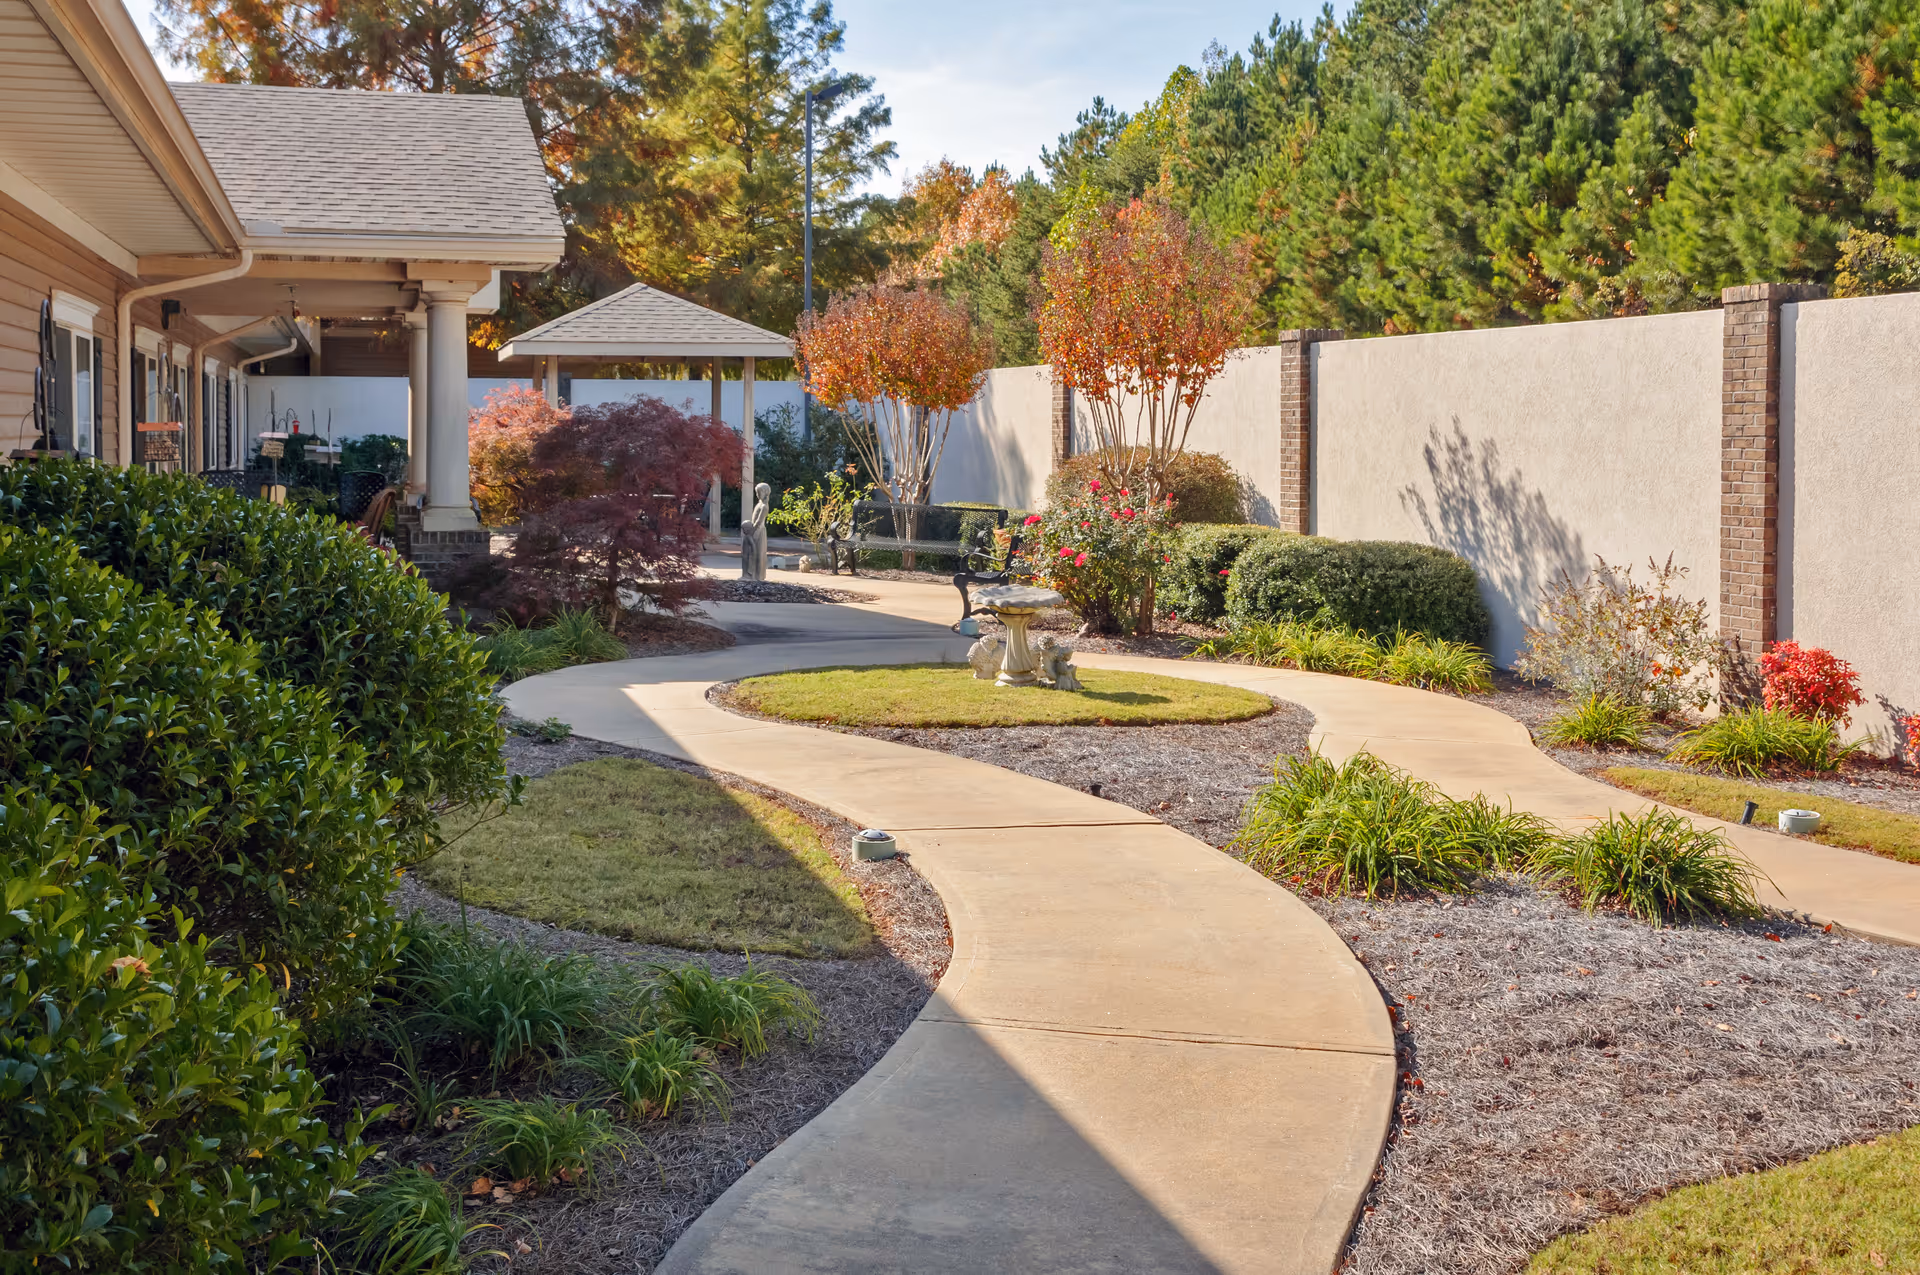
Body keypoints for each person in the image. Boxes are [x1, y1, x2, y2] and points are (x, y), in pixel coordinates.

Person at [741, 481, 771, 581]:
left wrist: (752, 530)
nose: (757, 495)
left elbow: (759, 521)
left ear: (766, 492)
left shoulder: (764, 506)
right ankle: (751, 574)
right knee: (752, 552)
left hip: (758, 530)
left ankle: (757, 575)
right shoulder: (759, 504)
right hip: (754, 529)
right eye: (756, 493)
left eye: (759, 492)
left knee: (758, 553)